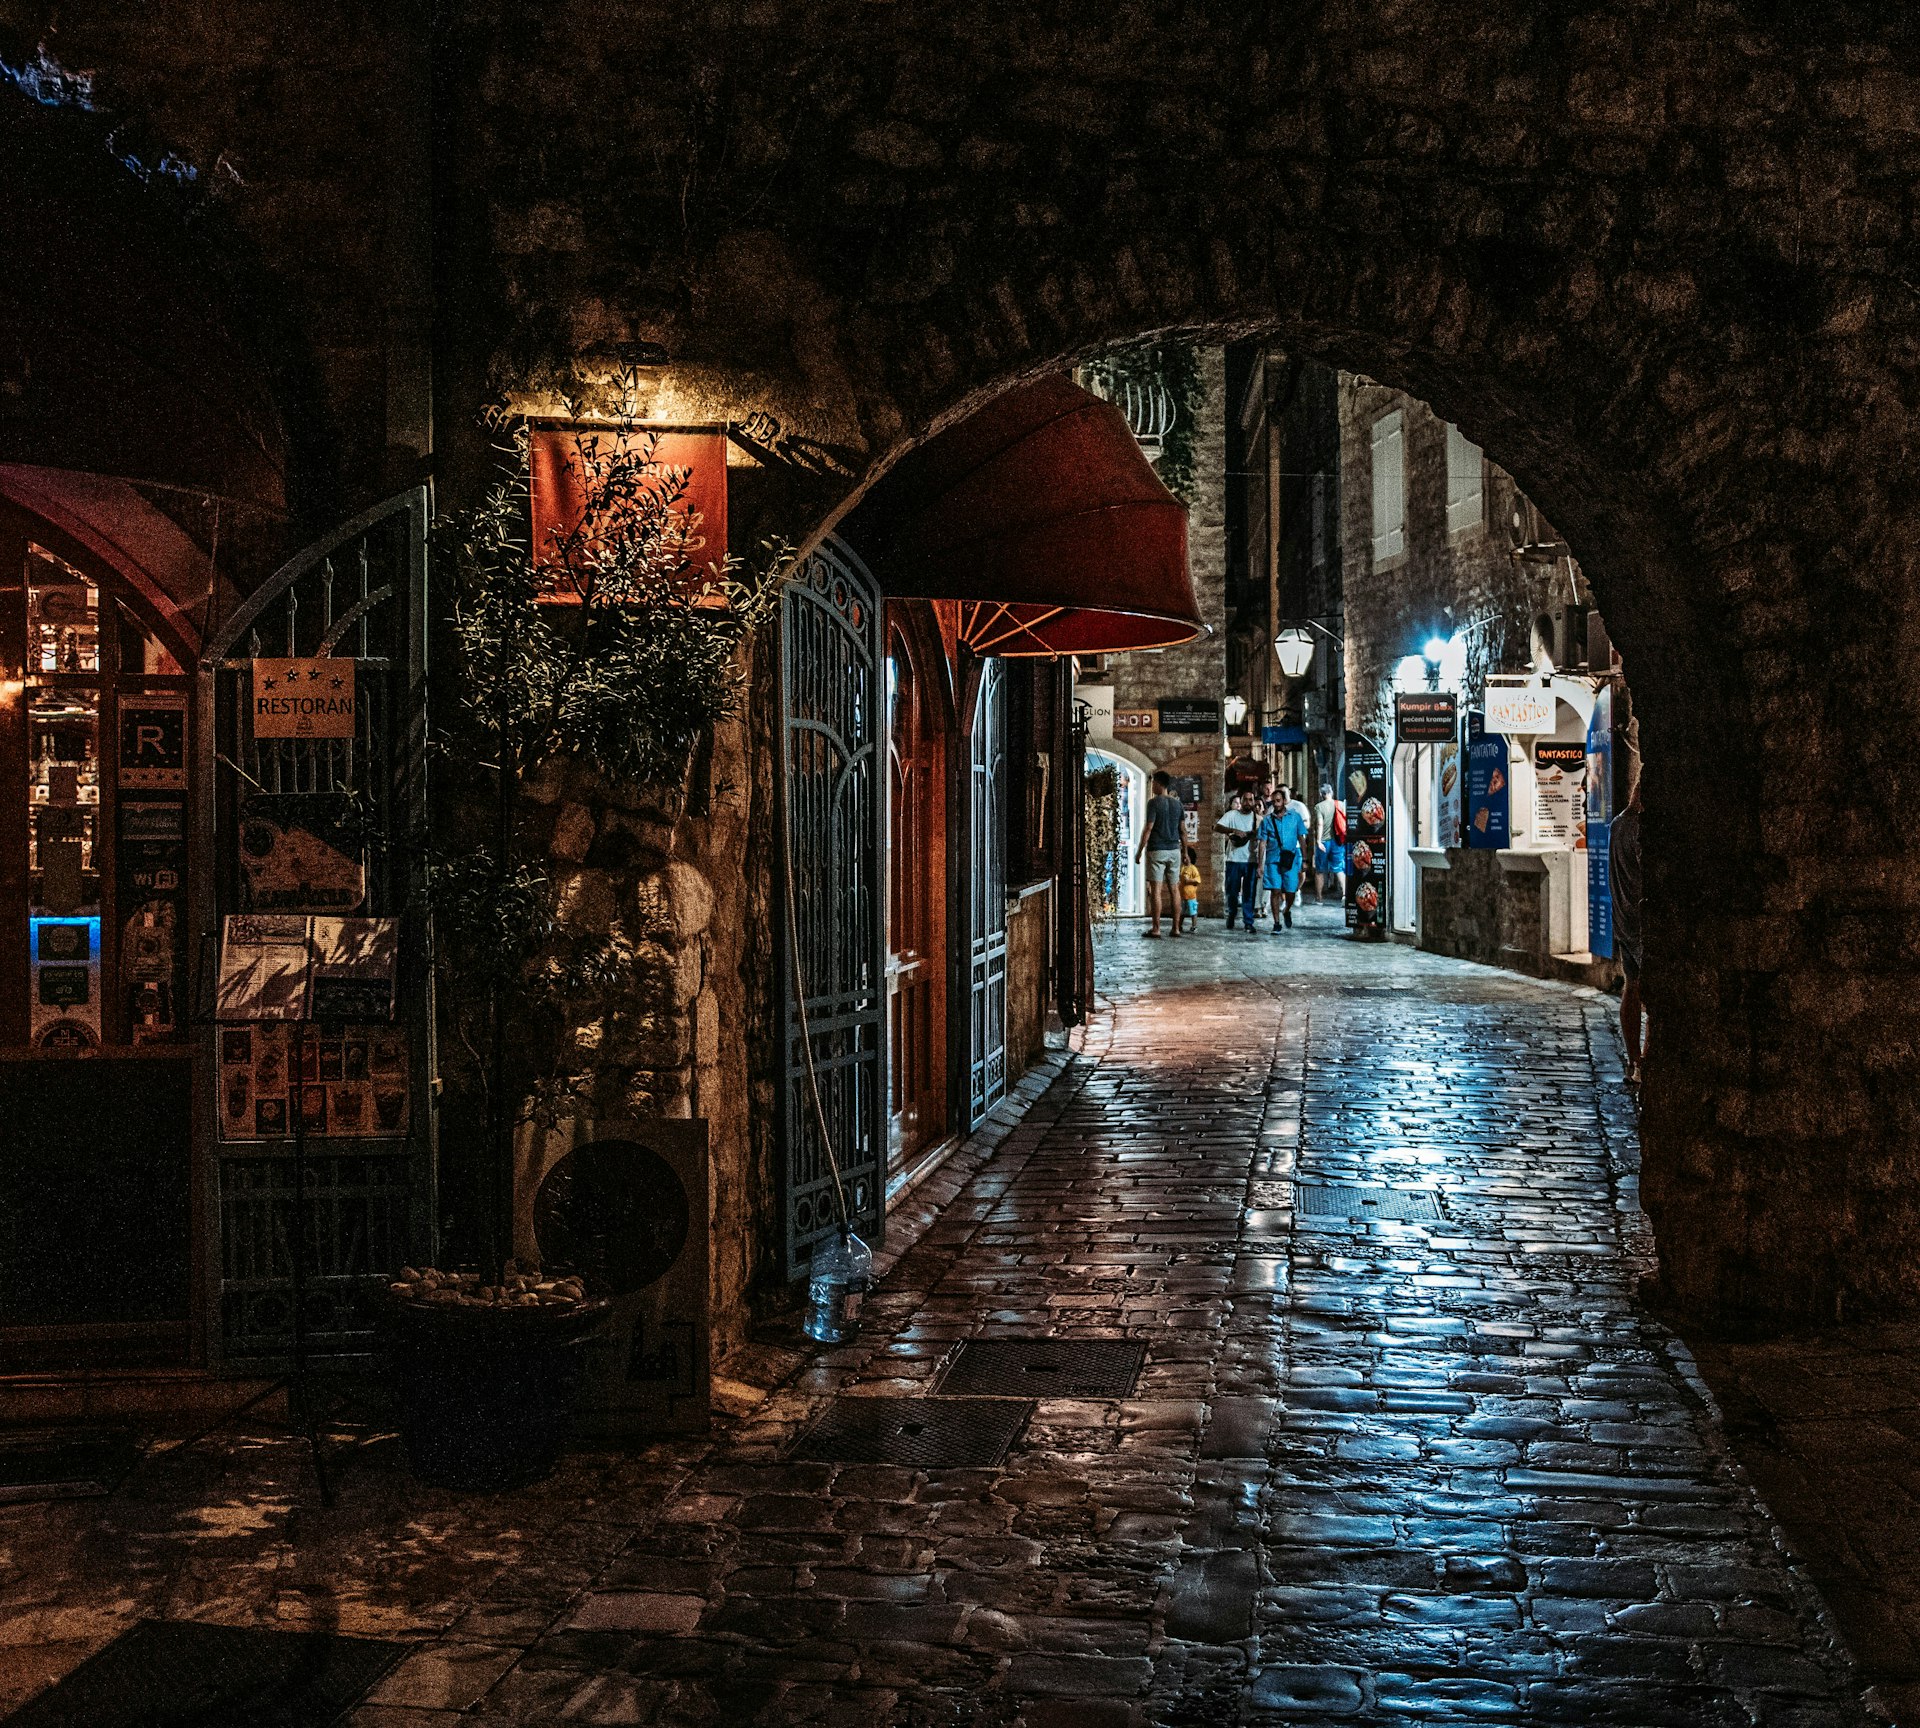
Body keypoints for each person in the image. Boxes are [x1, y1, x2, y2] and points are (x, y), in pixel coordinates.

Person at [1611, 770, 1646, 1084]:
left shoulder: (1616, 825)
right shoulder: (1640, 830)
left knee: (1631, 987)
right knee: (1655, 996)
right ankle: (1646, 1064)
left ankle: (1633, 1058)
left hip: (1623, 919)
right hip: (1642, 923)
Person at [1134, 770, 1185, 938]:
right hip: (1174, 851)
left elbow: (1148, 828)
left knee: (1156, 890)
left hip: (1157, 850)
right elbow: (1183, 831)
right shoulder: (1178, 804)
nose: (1152, 786)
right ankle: (1176, 928)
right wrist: (1185, 852)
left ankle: (1156, 929)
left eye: (1154, 782)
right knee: (1174, 890)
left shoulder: (1154, 803)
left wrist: (1139, 851)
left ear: (1159, 784)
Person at [1257, 785, 1310, 931]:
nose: (1276, 804)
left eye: (1278, 801)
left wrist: (1305, 859)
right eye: (1273, 801)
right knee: (1275, 890)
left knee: (1291, 891)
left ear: (1284, 801)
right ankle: (1276, 923)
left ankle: (1286, 910)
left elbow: (1301, 839)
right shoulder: (1267, 821)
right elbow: (1262, 843)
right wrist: (1260, 864)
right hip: (1273, 860)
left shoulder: (1295, 817)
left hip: (1290, 859)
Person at [1215, 789, 1259, 930]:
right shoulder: (1232, 815)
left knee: (1249, 892)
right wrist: (1233, 831)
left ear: (1254, 802)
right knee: (1232, 891)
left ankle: (1248, 922)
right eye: (1245, 799)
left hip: (1251, 860)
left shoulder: (1258, 819)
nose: (1248, 802)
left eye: (1250, 800)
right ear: (1241, 801)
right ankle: (1232, 914)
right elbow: (1217, 827)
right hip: (1233, 859)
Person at [1312, 782, 1346, 905]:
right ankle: (1345, 895)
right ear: (1331, 792)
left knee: (1320, 870)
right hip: (1337, 841)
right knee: (1338, 868)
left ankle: (1319, 898)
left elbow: (1319, 824)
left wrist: (1318, 840)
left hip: (1324, 842)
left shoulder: (1319, 807)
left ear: (1321, 794)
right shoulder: (1341, 805)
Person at [1178, 848, 1202, 934]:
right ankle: (1179, 926)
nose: (1184, 860)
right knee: (1182, 912)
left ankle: (1194, 926)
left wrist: (1189, 880)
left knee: (1193, 911)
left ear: (1191, 858)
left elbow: (1198, 880)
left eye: (1186, 858)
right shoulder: (1182, 868)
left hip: (1191, 896)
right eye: (1183, 858)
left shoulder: (1193, 868)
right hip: (1183, 895)